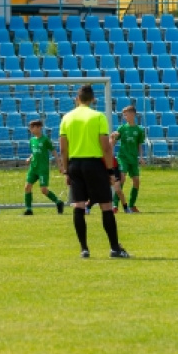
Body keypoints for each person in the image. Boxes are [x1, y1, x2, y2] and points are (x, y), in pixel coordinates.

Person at [59, 84, 130, 259]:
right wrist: (110, 171)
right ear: (92, 99)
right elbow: (106, 148)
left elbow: (63, 150)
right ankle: (114, 248)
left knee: (79, 205)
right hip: (94, 164)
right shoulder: (98, 116)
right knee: (106, 205)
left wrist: (67, 171)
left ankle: (84, 249)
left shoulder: (67, 118)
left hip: (75, 164)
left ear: (77, 99)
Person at [23, 119, 64, 216]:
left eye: (32, 127)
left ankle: (58, 202)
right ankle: (29, 209)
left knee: (44, 190)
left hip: (42, 169)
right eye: (30, 128)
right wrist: (29, 158)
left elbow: (54, 152)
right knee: (27, 187)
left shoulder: (45, 140)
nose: (31, 130)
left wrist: (60, 165)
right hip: (33, 168)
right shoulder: (32, 140)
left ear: (39, 128)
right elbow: (34, 152)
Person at [110, 105, 145, 213]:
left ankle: (132, 205)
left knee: (136, 181)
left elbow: (139, 145)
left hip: (133, 159)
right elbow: (113, 143)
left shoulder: (139, 130)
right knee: (122, 178)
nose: (125, 117)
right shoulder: (122, 128)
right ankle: (115, 205)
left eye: (127, 114)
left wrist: (141, 157)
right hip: (123, 157)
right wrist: (112, 138)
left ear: (133, 114)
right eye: (124, 115)